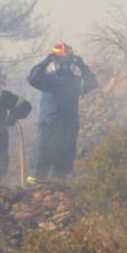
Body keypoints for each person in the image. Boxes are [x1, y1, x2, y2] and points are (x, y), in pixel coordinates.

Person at [26, 42, 98, 184]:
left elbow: (92, 84)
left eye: (66, 59)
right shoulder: (47, 80)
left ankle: (61, 181)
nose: (63, 63)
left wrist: (82, 66)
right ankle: (36, 181)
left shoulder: (75, 82)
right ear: (54, 60)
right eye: (59, 59)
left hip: (69, 123)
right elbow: (32, 78)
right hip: (49, 123)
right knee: (43, 152)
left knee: (66, 154)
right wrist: (46, 60)